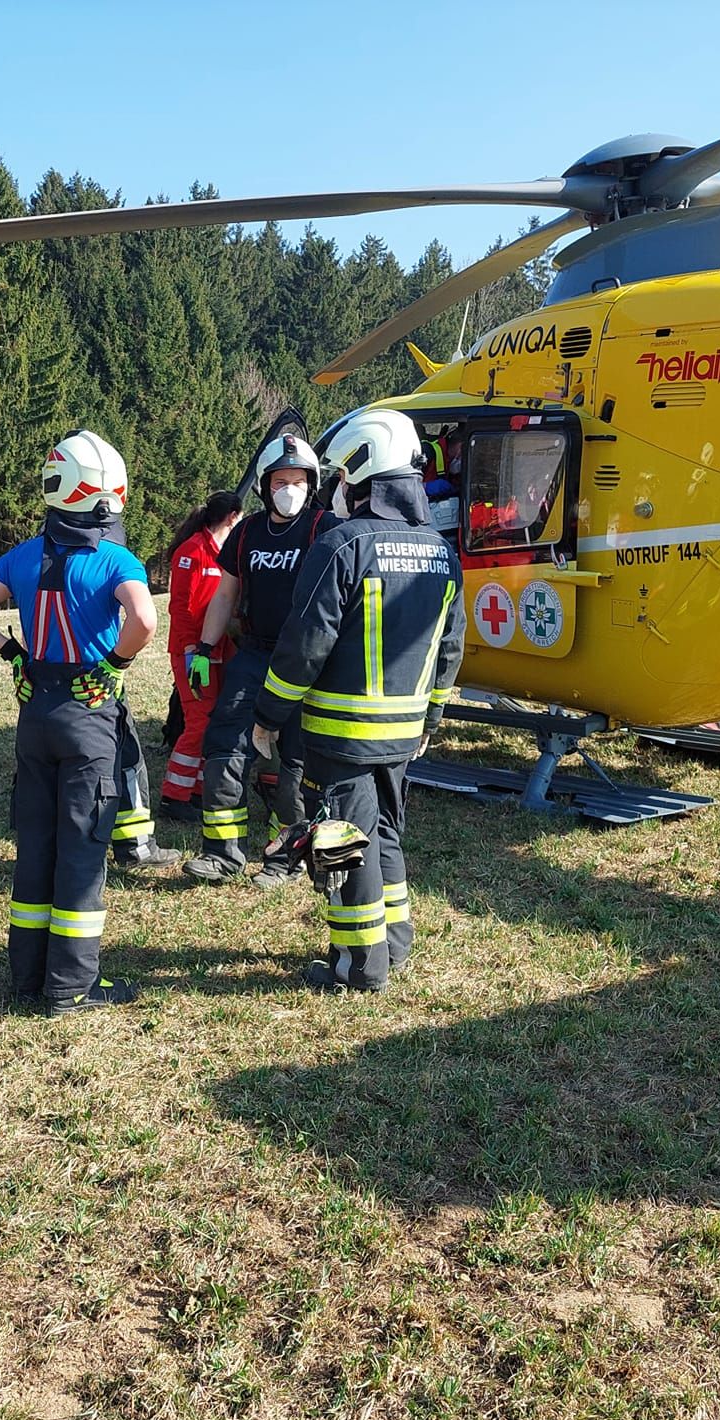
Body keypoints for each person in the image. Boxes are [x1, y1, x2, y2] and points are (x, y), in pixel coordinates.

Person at [251, 407, 466, 993]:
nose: (338, 490)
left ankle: (359, 965)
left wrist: (269, 715)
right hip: (404, 733)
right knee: (386, 834)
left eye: (343, 477)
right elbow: (451, 646)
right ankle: (394, 943)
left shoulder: (342, 545)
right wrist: (432, 717)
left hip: (342, 735)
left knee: (346, 844)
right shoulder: (442, 551)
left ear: (363, 472)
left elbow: (305, 642)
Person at [0, 428, 158, 1014]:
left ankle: (27, 977)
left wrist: (13, 654)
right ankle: (71, 986)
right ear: (107, 496)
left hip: (35, 709)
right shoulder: (115, 558)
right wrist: (114, 665)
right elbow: (144, 621)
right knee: (82, 848)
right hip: (89, 712)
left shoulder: (23, 555)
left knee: (37, 845)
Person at [182, 431, 323, 889]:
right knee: (225, 743)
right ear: (264, 486)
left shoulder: (326, 529)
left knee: (296, 759)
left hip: (306, 661)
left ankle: (286, 858)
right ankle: (222, 854)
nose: (289, 489)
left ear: (312, 483)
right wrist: (205, 649)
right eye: (280, 481)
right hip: (254, 653)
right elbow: (225, 594)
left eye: (298, 481)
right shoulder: (246, 533)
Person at [157, 490, 242, 816]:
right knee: (199, 722)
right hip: (192, 652)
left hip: (218, 649)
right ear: (233, 517)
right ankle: (174, 796)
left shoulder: (224, 553)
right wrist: (192, 650)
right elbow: (180, 608)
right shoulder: (192, 551)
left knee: (214, 720)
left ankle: (196, 789)